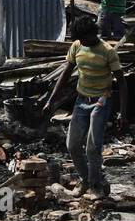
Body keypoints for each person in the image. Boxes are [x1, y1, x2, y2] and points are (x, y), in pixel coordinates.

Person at [42, 16, 123, 199]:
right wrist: (51, 100)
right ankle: (86, 179)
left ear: (92, 33)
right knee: (72, 145)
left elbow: (123, 83)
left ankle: (96, 186)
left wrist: (122, 113)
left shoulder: (107, 51)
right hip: (81, 101)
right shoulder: (77, 46)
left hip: (102, 100)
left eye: (83, 38)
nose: (81, 41)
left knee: (93, 148)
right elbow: (65, 74)